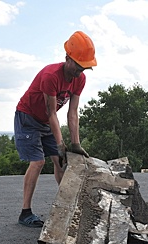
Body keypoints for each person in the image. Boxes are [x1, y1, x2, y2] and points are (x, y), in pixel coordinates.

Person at [14, 31, 96, 227]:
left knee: (60, 161)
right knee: (38, 162)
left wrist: (75, 145)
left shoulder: (80, 79)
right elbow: (52, 113)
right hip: (28, 118)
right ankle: (25, 213)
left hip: (45, 121)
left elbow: (73, 113)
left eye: (84, 67)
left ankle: (69, 205)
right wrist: (60, 144)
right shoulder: (51, 75)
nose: (80, 71)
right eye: (78, 66)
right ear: (67, 58)